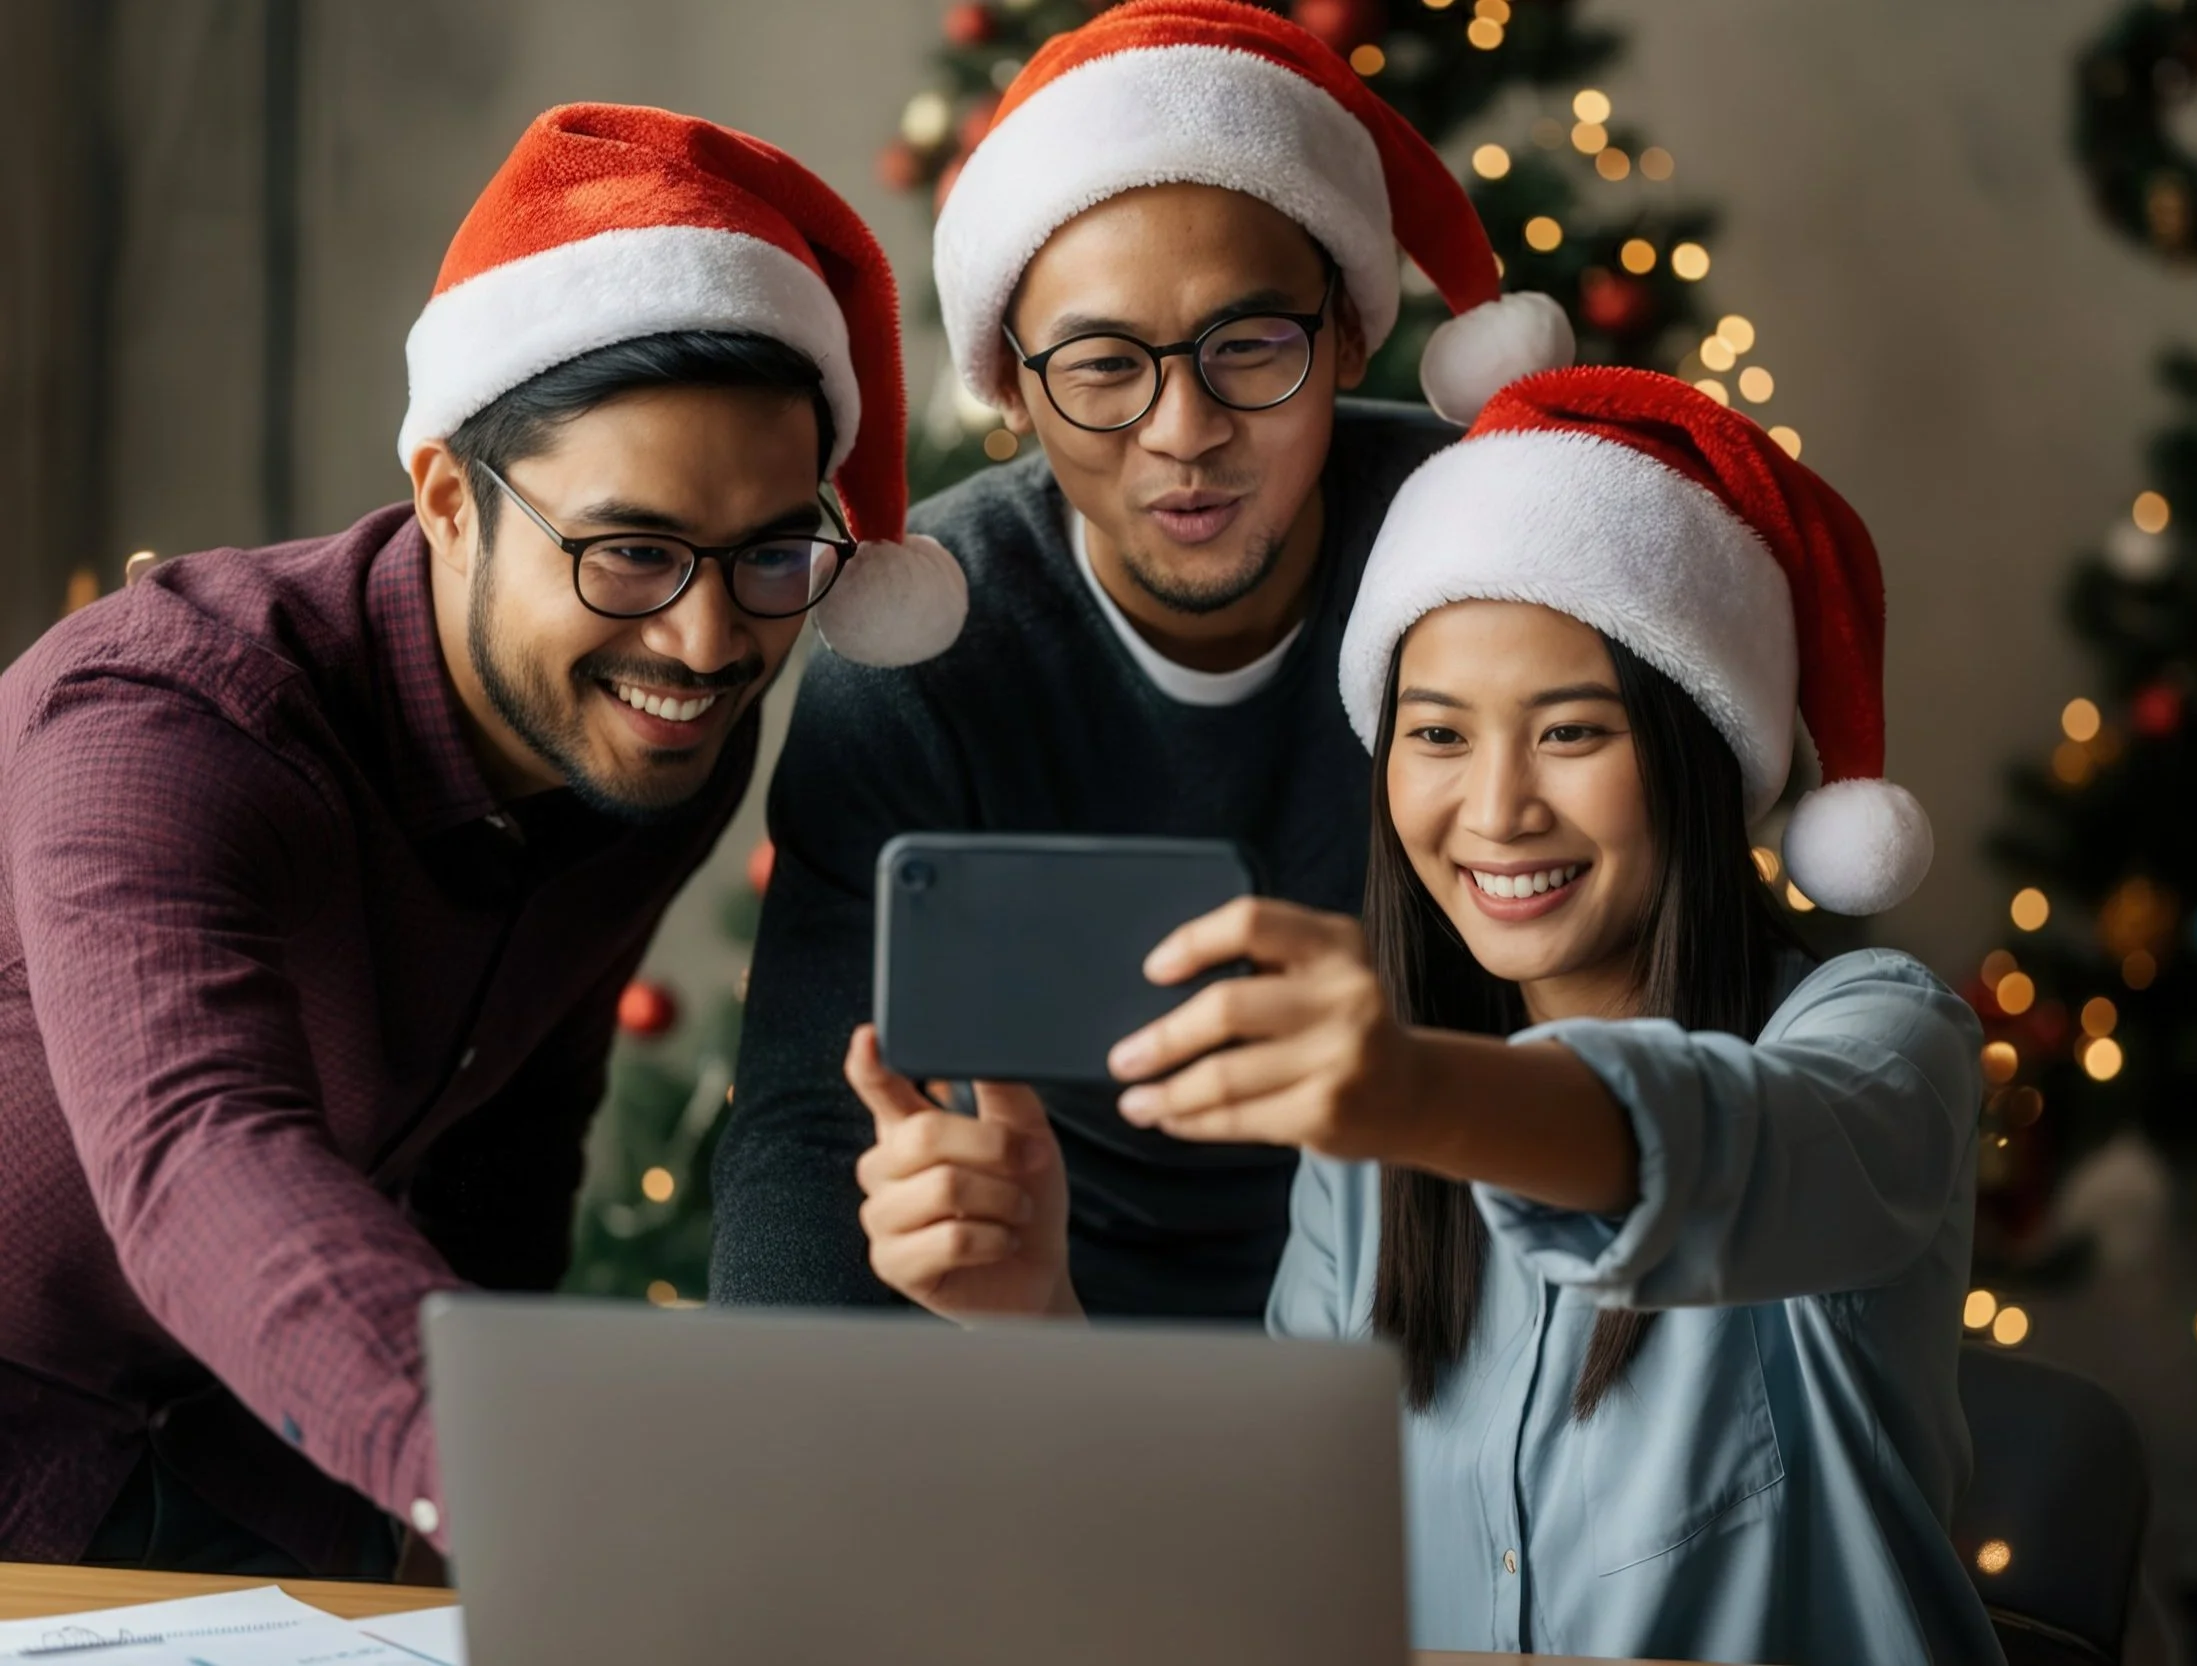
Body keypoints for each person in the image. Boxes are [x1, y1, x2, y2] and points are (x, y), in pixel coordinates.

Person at [845, 367, 2001, 1664]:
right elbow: (1270, 1566)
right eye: (1438, 735)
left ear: (1699, 752)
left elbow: (1732, 1138)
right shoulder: (1371, 1140)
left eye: (1572, 732)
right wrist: (1030, 1312)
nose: (1497, 808)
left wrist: (1413, 1093)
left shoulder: (1883, 1041)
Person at [0, 103, 954, 1576]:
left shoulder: (652, 728)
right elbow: (200, 1154)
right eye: (629, 551)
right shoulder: (161, 715)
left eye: (771, 553)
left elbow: (505, 1160)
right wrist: (525, 1483)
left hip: (264, 1472)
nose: (707, 642)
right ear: (450, 499)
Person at [714, 0, 1574, 1319]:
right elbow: (808, 1122)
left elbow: (1660, 1023)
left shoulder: (1492, 551)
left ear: (1349, 333)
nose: (1184, 432)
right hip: (1047, 1318)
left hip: (1465, 1294)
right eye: (1105, 365)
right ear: (1009, 385)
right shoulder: (927, 642)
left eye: (1247, 348)